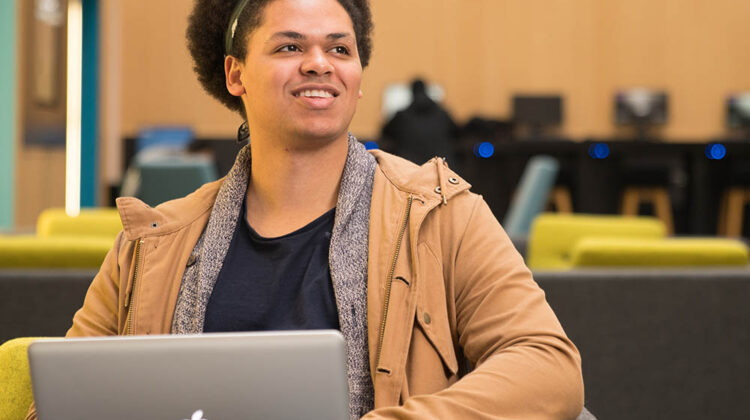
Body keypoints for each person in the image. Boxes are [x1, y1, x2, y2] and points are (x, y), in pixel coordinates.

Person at [27, 0, 585, 418]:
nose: (319, 63)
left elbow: (547, 365)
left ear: (358, 77)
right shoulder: (152, 243)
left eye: (340, 48)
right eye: (290, 46)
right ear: (235, 74)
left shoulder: (439, 214)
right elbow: (69, 394)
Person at [382, 78, 459, 165]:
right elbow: (458, 134)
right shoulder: (443, 114)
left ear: (411, 92)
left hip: (410, 169)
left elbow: (385, 134)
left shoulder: (401, 116)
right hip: (439, 168)